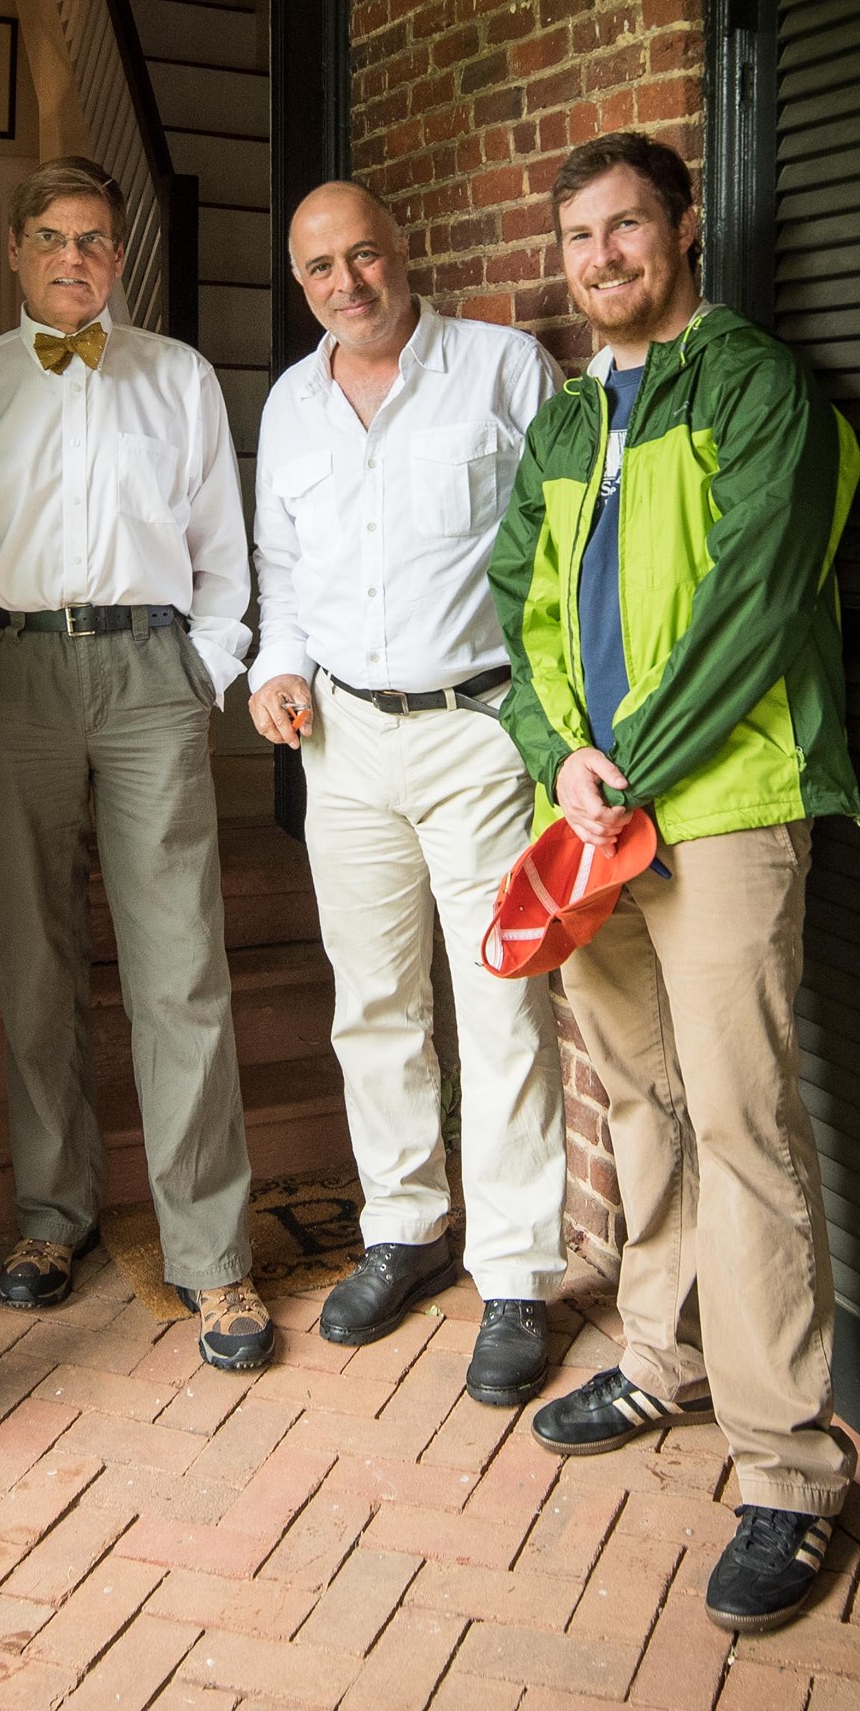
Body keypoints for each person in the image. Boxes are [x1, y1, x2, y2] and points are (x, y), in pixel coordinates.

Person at [488, 131, 860, 1633]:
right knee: (636, 1099)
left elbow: (753, 610)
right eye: (578, 238)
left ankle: (786, 1470)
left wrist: (619, 765)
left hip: (718, 808)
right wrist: (554, 754)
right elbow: (514, 613)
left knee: (742, 1119)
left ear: (681, 231)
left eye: (624, 228)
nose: (600, 259)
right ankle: (661, 1361)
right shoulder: (567, 420)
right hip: (590, 819)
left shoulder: (754, 388)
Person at [0, 155, 272, 1373]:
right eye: (55, 238)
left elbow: (224, 545)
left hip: (149, 676)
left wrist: (205, 666)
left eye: (99, 240)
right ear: (16, 253)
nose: (77, 256)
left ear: (121, 258)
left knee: (182, 964)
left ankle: (211, 1253)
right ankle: (53, 1217)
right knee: (35, 959)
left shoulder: (178, 379)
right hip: (10, 679)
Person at [249, 180, 567, 1406]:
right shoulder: (290, 402)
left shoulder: (502, 369)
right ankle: (407, 1226)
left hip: (478, 732)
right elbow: (280, 567)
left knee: (500, 1008)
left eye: (363, 255)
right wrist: (277, 666)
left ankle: (520, 1272)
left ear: (403, 249)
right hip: (341, 742)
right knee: (373, 1001)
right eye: (320, 268)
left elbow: (557, 552)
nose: (346, 284)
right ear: (303, 282)